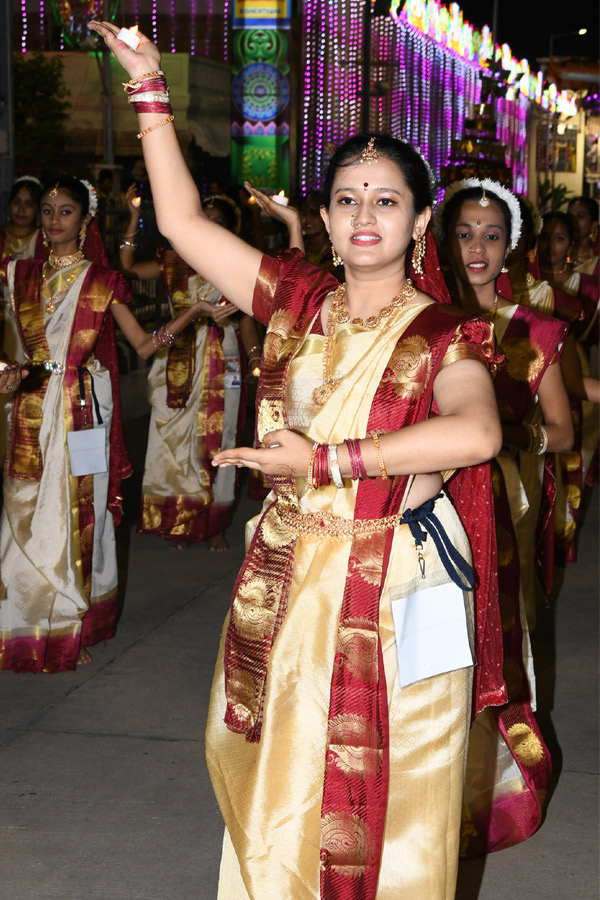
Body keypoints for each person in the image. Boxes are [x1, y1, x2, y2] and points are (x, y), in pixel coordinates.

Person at [90, 22, 504, 900]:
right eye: (347, 198)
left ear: (421, 219)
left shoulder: (440, 335)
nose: (364, 215)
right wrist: (149, 92)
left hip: (390, 584)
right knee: (277, 784)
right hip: (287, 579)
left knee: (390, 804)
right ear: (323, 216)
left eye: (386, 200)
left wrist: (330, 461)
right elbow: (180, 222)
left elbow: (475, 435)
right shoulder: (296, 302)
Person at [0, 175, 210, 673]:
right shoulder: (17, 274)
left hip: (81, 408)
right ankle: (21, 621)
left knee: (76, 513)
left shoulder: (101, 280)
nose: (53, 220)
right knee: (21, 507)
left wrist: (194, 312)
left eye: (64, 211)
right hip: (29, 403)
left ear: (85, 219)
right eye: (47, 211)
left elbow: (141, 344)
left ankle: (72, 620)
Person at [437, 177, 573, 848]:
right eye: (464, 233)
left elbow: (565, 430)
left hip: (496, 500)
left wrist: (506, 437)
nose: (477, 249)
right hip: (423, 501)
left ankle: (484, 788)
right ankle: (417, 781)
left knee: (486, 638)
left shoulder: (534, 330)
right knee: (425, 639)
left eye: (492, 235)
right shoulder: (423, 318)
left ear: (511, 244)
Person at [119, 185, 262, 551]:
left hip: (223, 355)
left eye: (218, 223)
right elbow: (127, 269)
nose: (210, 227)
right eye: (204, 220)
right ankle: (181, 520)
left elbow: (246, 321)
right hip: (177, 351)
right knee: (172, 440)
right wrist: (134, 218)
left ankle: (214, 524)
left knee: (223, 437)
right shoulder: (173, 262)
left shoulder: (238, 264)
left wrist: (253, 357)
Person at [567, 195, 599, 273]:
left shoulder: (597, 260)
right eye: (570, 216)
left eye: (580, 216)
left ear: (593, 225)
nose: (573, 221)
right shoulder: (557, 254)